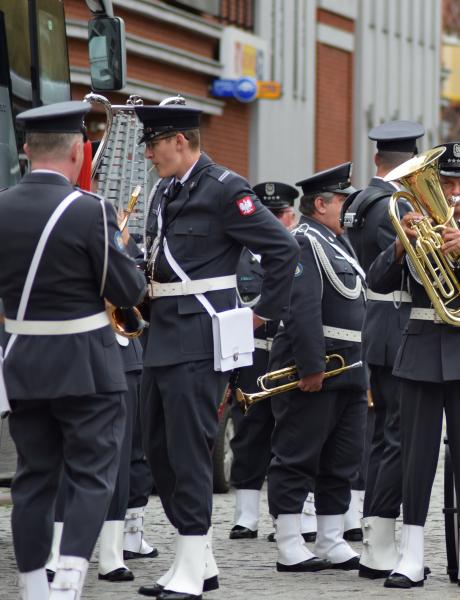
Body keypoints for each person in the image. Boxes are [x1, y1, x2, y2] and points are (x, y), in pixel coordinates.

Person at [135, 104, 299, 600]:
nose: (149, 154)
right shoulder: (165, 191)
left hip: (200, 337)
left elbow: (283, 249)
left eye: (155, 144)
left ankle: (190, 564)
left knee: (188, 451)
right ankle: (198, 559)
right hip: (160, 334)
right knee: (158, 447)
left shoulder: (226, 189)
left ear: (180, 141)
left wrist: (261, 313)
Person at [0, 101, 146, 600]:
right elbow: (126, 290)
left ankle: (33, 586)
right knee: (91, 474)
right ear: (79, 152)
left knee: (32, 479)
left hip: (22, 365)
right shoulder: (90, 209)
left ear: (26, 149)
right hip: (85, 365)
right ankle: (69, 580)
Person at [367, 141, 460, 590]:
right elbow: (376, 281)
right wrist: (400, 246)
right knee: (415, 456)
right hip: (418, 349)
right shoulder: (414, 225)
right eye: (448, 182)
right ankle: (411, 556)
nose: (454, 192)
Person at [267, 162, 367, 573]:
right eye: (343, 200)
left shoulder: (340, 242)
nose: (349, 208)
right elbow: (302, 306)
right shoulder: (304, 241)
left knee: (342, 457)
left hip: (349, 366)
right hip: (317, 366)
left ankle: (330, 538)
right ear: (321, 204)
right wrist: (310, 366)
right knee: (297, 454)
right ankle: (289, 541)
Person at [341, 121, 422, 577]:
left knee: (382, 438)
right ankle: (382, 545)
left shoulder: (358, 201)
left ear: (377, 159)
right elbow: (410, 268)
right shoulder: (397, 205)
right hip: (400, 327)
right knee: (399, 440)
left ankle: (375, 540)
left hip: (377, 327)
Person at [229, 181, 299, 541]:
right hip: (253, 351)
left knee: (291, 430)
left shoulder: (301, 252)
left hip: (289, 349)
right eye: (267, 214)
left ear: (291, 217)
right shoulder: (237, 256)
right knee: (249, 429)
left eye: (279, 214)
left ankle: (289, 516)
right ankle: (246, 515)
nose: (273, 221)